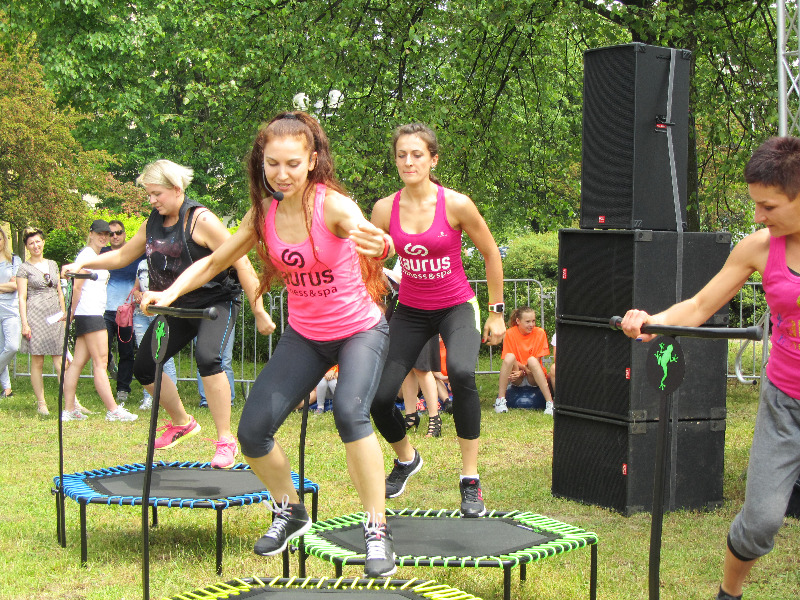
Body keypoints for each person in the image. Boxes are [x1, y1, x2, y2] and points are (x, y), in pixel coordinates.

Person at [140, 111, 397, 577]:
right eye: (272, 164)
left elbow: (378, 244)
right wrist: (170, 292)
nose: (282, 175)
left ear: (312, 160)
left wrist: (382, 247)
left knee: (349, 413)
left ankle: (376, 528)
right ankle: (290, 509)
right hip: (306, 336)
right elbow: (217, 259)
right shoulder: (264, 214)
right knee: (252, 433)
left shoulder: (332, 206)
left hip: (359, 330)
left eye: (293, 164)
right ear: (262, 164)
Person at [620, 136, 800, 600]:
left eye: (769, 206)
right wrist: (650, 322)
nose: (759, 216)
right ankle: (729, 593)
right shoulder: (760, 248)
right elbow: (699, 305)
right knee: (759, 521)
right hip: (785, 401)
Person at [64, 160, 271, 468]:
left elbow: (241, 263)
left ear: (177, 190)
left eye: (156, 193)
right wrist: (84, 265)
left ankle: (226, 440)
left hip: (215, 304)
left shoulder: (201, 220)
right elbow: (121, 255)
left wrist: (258, 309)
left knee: (208, 358)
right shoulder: (153, 223)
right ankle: (182, 422)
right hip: (175, 304)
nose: (151, 200)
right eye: (148, 194)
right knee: (145, 367)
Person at [369, 122, 505, 517]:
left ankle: (470, 480)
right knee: (379, 399)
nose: (408, 162)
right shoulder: (383, 209)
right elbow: (367, 263)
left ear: (433, 160)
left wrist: (497, 313)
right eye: (401, 155)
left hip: (456, 306)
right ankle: (407, 459)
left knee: (462, 373)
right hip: (410, 311)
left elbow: (491, 253)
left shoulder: (456, 204)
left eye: (417, 154)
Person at [61, 219, 138, 422]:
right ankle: (113, 410)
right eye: (100, 233)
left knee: (77, 363)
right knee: (101, 362)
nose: (105, 237)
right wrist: (70, 314)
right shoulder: (86, 256)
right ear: (91, 234)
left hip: (90, 313)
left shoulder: (95, 256)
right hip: (91, 314)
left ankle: (69, 409)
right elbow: (76, 288)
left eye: (107, 233)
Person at [16, 228, 67, 416]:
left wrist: (64, 314)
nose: (35, 246)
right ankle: (41, 403)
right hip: (35, 315)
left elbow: (59, 291)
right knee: (37, 362)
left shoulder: (53, 264)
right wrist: (25, 323)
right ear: (27, 247)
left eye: (38, 241)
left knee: (60, 361)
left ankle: (71, 400)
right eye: (31, 243)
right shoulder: (24, 268)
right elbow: (22, 297)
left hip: (55, 314)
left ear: (43, 242)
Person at [101, 220, 141, 404]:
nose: (115, 236)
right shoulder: (101, 254)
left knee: (126, 351)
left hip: (126, 311)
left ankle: (123, 388)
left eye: (118, 232)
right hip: (105, 310)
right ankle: (108, 373)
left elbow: (141, 277)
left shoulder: (134, 253)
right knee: (102, 350)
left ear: (125, 234)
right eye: (111, 234)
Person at [132, 258, 177, 411]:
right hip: (141, 314)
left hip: (160, 314)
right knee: (145, 358)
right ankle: (148, 399)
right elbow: (136, 287)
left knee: (165, 356)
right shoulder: (142, 264)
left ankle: (171, 400)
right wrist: (137, 294)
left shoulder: (168, 263)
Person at [494, 306, 553, 414]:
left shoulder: (540, 333)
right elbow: (511, 360)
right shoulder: (510, 333)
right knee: (509, 357)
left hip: (533, 375)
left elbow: (536, 361)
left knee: (531, 360)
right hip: (517, 375)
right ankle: (500, 400)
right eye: (528, 321)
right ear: (518, 321)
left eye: (533, 321)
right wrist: (521, 372)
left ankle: (550, 403)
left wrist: (524, 372)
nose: (531, 325)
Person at [400, 336, 443, 437]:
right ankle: (411, 416)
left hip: (424, 322)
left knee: (422, 367)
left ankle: (435, 418)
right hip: (403, 323)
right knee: (406, 367)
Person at [0, 228, 21, 400]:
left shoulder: (14, 260)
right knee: (0, 349)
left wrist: (9, 286)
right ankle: (7, 389)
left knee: (13, 346)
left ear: (4, 240)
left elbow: (16, 286)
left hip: (11, 310)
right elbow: (9, 285)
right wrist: (4, 286)